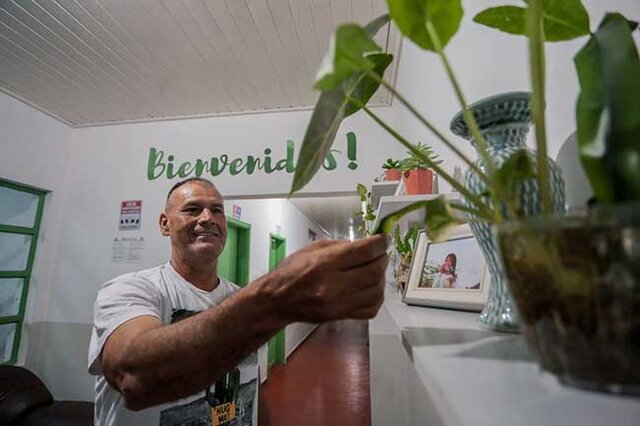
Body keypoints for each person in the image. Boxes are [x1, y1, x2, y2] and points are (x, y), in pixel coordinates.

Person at [87, 177, 388, 426]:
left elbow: (249, 388)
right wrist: (274, 298)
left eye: (217, 210)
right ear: (165, 224)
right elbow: (133, 374)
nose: (208, 218)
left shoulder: (236, 296)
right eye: (192, 209)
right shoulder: (131, 289)